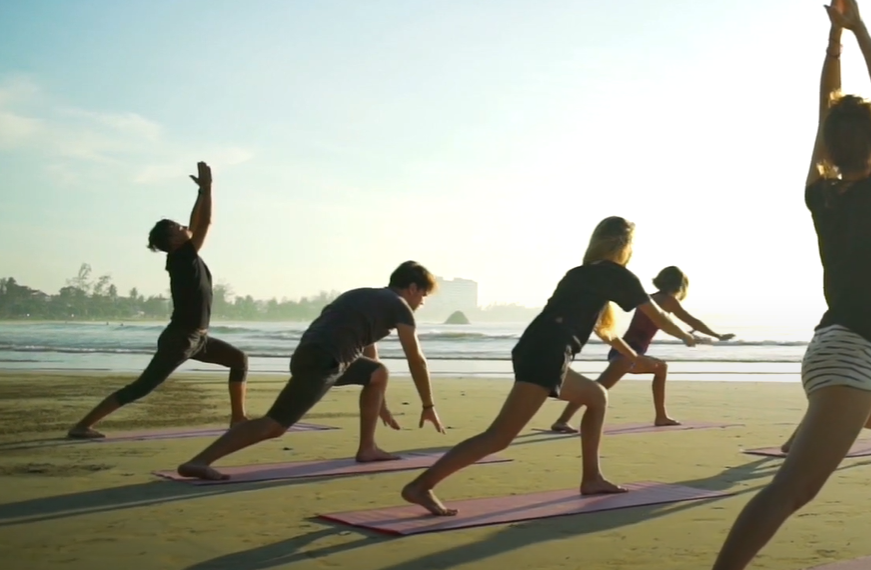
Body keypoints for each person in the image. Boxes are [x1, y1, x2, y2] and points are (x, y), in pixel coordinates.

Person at [711, 0, 871, 570]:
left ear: (826, 147)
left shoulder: (819, 193)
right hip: (849, 357)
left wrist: (834, 44)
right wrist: (857, 28)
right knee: (794, 489)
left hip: (842, 352)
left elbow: (827, 116)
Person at [400, 216, 692, 516]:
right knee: (499, 436)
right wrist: (687, 336)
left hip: (536, 347)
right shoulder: (616, 274)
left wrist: (632, 356)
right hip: (548, 351)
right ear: (624, 245)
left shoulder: (579, 274)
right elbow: (657, 315)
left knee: (596, 397)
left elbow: (606, 331)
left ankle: (592, 478)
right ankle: (421, 486)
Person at [175, 261, 443, 480]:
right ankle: (200, 461)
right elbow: (416, 359)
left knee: (378, 372)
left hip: (311, 355)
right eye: (424, 294)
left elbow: (368, 350)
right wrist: (428, 405)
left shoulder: (363, 296)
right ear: (411, 288)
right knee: (275, 425)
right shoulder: (400, 307)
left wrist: (379, 397)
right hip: (325, 360)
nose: (422, 302)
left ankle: (367, 447)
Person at [68, 162, 250, 440]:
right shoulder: (182, 257)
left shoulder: (184, 255)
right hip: (181, 338)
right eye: (179, 227)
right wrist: (209, 189)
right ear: (174, 240)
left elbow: (197, 222)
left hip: (197, 339)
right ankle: (82, 425)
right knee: (143, 387)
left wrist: (201, 193)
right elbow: (205, 223)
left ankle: (238, 419)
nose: (185, 227)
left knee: (239, 360)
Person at [549, 265, 734, 433]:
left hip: (625, 351)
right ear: (680, 285)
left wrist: (691, 336)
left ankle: (661, 416)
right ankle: (562, 420)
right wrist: (716, 335)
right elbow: (690, 320)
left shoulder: (651, 299)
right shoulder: (668, 300)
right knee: (599, 387)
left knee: (657, 369)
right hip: (629, 352)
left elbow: (667, 323)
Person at [778, 277, 871, 452]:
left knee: (825, 403)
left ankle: (794, 440)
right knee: (835, 402)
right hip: (855, 365)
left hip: (824, 360)